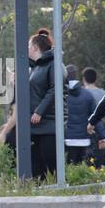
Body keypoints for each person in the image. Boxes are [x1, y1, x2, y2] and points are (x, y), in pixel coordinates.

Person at [28, 28, 68, 181]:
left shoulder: (54, 65)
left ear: (35, 48)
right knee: (37, 168)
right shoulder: (36, 67)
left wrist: (39, 111)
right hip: (36, 126)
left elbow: (55, 89)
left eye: (28, 46)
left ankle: (60, 192)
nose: (27, 49)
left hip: (50, 125)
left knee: (53, 166)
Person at [65, 65, 105, 165]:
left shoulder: (60, 94)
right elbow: (95, 117)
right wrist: (102, 136)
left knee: (67, 168)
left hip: (66, 138)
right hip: (84, 139)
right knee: (81, 167)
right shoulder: (87, 95)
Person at [82, 67, 105, 167]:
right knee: (101, 156)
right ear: (96, 79)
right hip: (101, 128)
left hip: (84, 128)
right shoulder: (103, 93)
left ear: (84, 79)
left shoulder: (82, 93)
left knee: (86, 157)